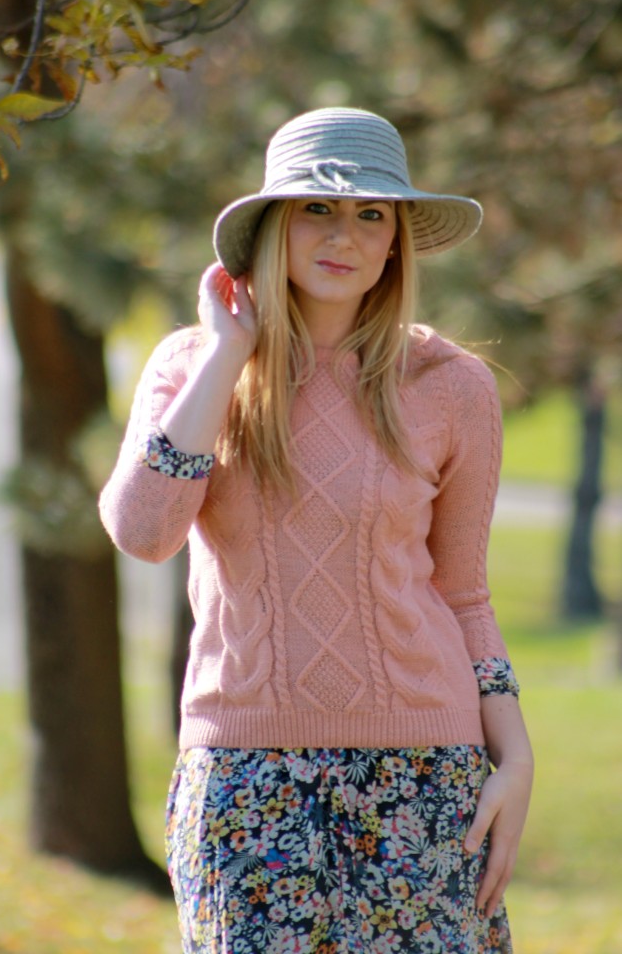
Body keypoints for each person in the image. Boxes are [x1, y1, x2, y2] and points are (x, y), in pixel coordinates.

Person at [99, 107, 533, 954]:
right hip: (244, 781)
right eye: (317, 208)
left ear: (397, 240)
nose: (348, 234)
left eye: (373, 213)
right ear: (271, 227)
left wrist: (513, 758)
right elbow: (143, 531)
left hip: (426, 777)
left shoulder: (452, 385)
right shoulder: (192, 365)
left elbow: (464, 595)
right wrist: (230, 352)